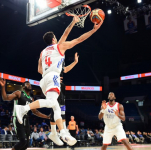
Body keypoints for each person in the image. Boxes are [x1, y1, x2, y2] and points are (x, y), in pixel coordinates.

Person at [15, 15, 103, 146]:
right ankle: (23, 109)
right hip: (52, 77)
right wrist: (93, 30)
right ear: (54, 39)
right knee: (52, 103)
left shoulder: (42, 52)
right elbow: (78, 39)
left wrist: (51, 71)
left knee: (56, 106)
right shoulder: (59, 47)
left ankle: (58, 133)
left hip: (44, 79)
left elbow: (39, 69)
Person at [0, 79, 50, 150]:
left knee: (26, 144)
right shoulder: (19, 93)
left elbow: (35, 112)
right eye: (27, 84)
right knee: (23, 141)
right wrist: (3, 86)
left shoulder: (31, 99)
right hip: (18, 118)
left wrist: (47, 116)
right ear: (23, 87)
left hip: (26, 120)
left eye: (29, 84)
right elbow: (5, 98)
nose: (29, 85)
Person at [49, 52, 79, 146]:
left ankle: (62, 131)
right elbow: (43, 72)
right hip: (53, 85)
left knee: (61, 108)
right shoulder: (51, 62)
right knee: (55, 107)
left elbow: (65, 69)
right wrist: (54, 79)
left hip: (60, 86)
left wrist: (75, 62)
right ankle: (59, 132)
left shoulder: (60, 63)